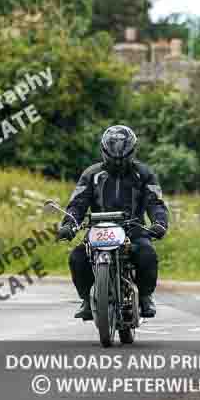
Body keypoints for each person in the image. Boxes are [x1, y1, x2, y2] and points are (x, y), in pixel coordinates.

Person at [57, 125, 169, 320]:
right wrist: (69, 225)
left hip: (134, 229)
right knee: (77, 257)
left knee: (147, 255)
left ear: (133, 151)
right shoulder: (90, 174)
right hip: (98, 230)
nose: (118, 159)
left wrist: (159, 223)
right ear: (103, 150)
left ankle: (144, 297)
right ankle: (86, 300)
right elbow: (77, 204)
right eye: (113, 154)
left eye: (123, 155)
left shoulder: (144, 173)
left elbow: (155, 202)